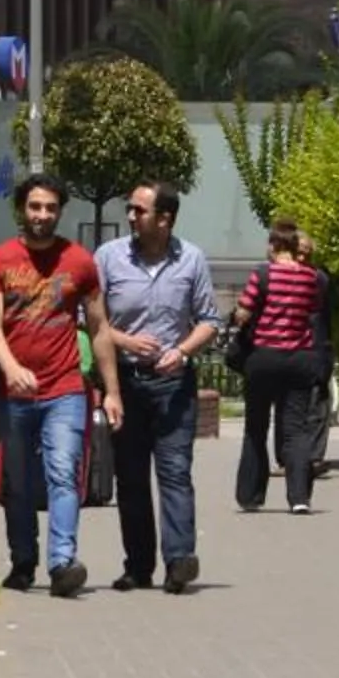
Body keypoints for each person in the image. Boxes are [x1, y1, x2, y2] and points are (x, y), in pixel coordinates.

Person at [0, 172, 122, 597]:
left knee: (64, 474)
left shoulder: (79, 262)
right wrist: (10, 367)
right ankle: (23, 562)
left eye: (51, 208)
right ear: (22, 209)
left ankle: (62, 563)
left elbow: (99, 328)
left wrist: (111, 390)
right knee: (17, 482)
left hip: (65, 389)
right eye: (35, 206)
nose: (42, 215)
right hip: (14, 394)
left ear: (60, 211)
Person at [94, 182, 218, 593]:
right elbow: (92, 320)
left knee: (175, 472)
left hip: (173, 385)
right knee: (130, 477)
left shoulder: (192, 260)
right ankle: (139, 566)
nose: (131, 216)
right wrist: (126, 341)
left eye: (140, 210)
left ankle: (179, 560)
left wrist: (181, 352)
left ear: (165, 219)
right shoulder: (109, 259)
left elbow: (209, 321)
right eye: (130, 209)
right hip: (125, 381)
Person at [232, 218, 331, 518]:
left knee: (256, 427)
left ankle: (251, 494)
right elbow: (314, 313)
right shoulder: (313, 278)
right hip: (299, 359)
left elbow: (243, 314)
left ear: (276, 245)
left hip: (263, 358)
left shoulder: (262, 274)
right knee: (296, 430)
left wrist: (241, 315)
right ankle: (299, 497)